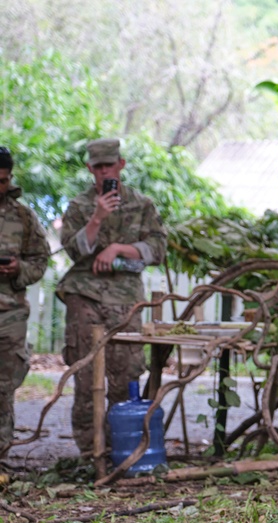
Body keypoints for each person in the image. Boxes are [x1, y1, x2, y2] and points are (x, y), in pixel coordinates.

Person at [58, 138, 167, 462]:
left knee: (126, 379)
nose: (105, 171)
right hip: (85, 297)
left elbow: (158, 249)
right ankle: (92, 455)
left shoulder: (142, 204)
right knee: (86, 379)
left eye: (110, 164)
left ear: (121, 164)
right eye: (99, 166)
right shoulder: (79, 206)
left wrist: (118, 249)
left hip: (126, 302)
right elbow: (73, 250)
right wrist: (97, 218)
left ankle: (123, 453)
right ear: (90, 169)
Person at [0, 147, 50, 459]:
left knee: (4, 388)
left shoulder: (23, 216)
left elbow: (40, 258)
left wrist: (19, 270)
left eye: (3, 181)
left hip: (10, 315)